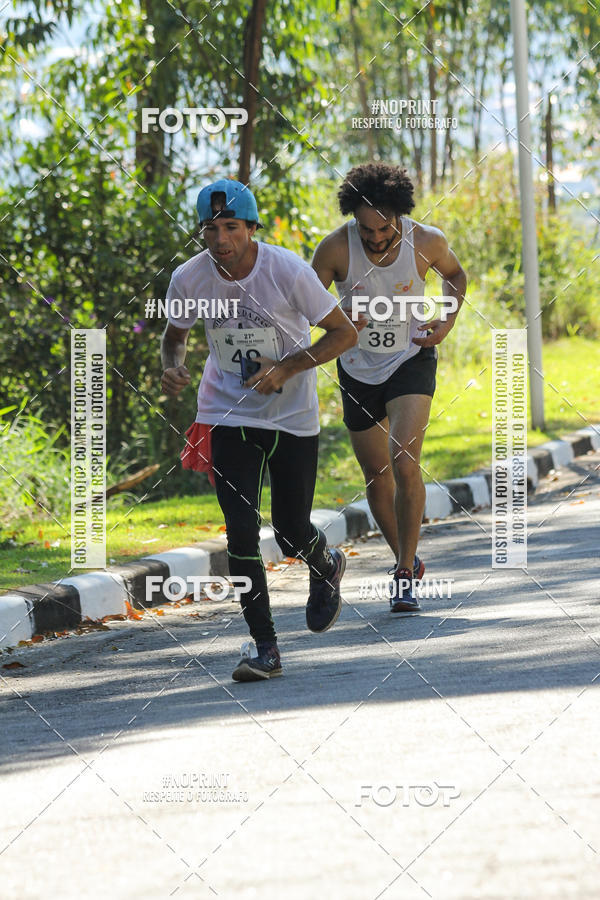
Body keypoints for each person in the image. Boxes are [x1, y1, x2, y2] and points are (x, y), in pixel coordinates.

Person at [160, 179, 357, 681]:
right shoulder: (189, 278)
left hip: (292, 418)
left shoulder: (286, 270)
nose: (220, 238)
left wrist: (286, 369)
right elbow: (174, 338)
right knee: (241, 532)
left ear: (251, 228)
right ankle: (264, 646)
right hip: (227, 413)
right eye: (210, 228)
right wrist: (173, 367)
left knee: (291, 531)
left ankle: (324, 562)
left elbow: (343, 333)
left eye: (231, 227)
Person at [312, 163, 467, 613]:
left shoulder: (427, 240)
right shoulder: (336, 248)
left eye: (385, 229)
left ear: (399, 215)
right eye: (367, 229)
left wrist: (446, 318)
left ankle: (402, 574)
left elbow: (455, 275)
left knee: (403, 460)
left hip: (410, 357)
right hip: (357, 367)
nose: (376, 238)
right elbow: (304, 303)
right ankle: (409, 557)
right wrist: (337, 322)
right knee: (376, 476)